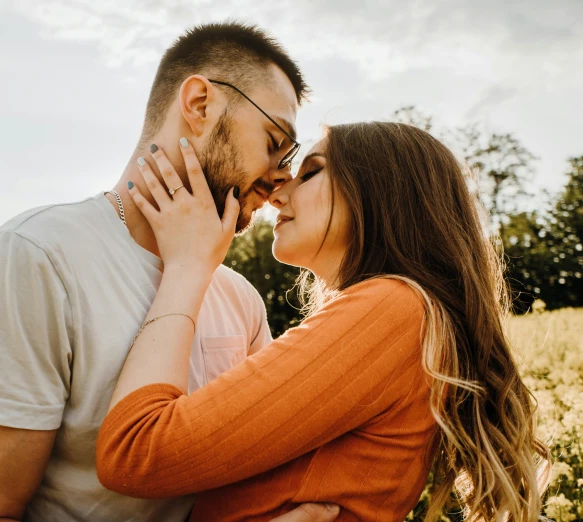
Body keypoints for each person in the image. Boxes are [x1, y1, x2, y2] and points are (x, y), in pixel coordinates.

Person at [0, 22, 341, 522]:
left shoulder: (242, 300)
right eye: (275, 141)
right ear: (199, 104)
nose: (281, 178)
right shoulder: (33, 260)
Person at [96, 123, 551, 521]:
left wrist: (186, 267)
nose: (277, 194)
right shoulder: (403, 316)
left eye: (310, 172)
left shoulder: (393, 310)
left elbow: (136, 452)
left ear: (381, 192)